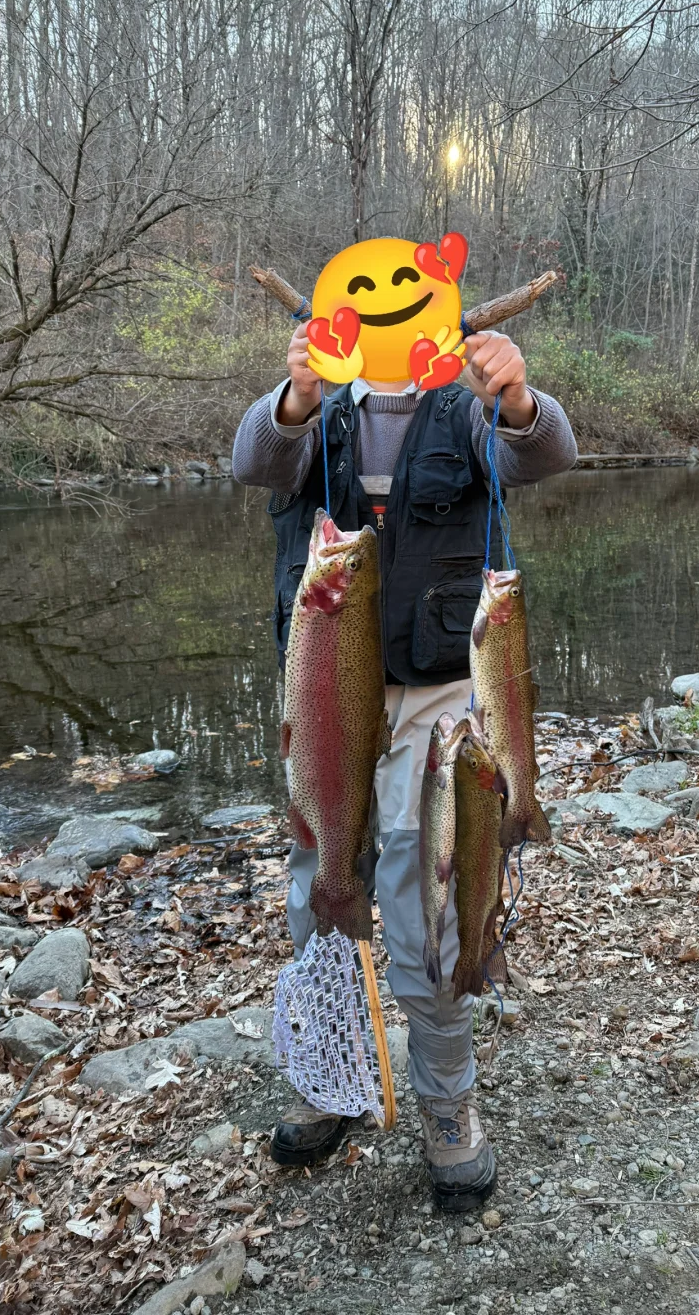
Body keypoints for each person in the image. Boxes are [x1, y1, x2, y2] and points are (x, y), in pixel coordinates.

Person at [232, 321, 577, 1211]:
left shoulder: (464, 407)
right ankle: (332, 1074)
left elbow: (544, 456)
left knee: (426, 896)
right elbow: (253, 463)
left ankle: (447, 1104)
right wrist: (295, 400)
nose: (386, 334)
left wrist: (519, 397)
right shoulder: (320, 408)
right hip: (327, 702)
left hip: (437, 696)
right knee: (319, 883)